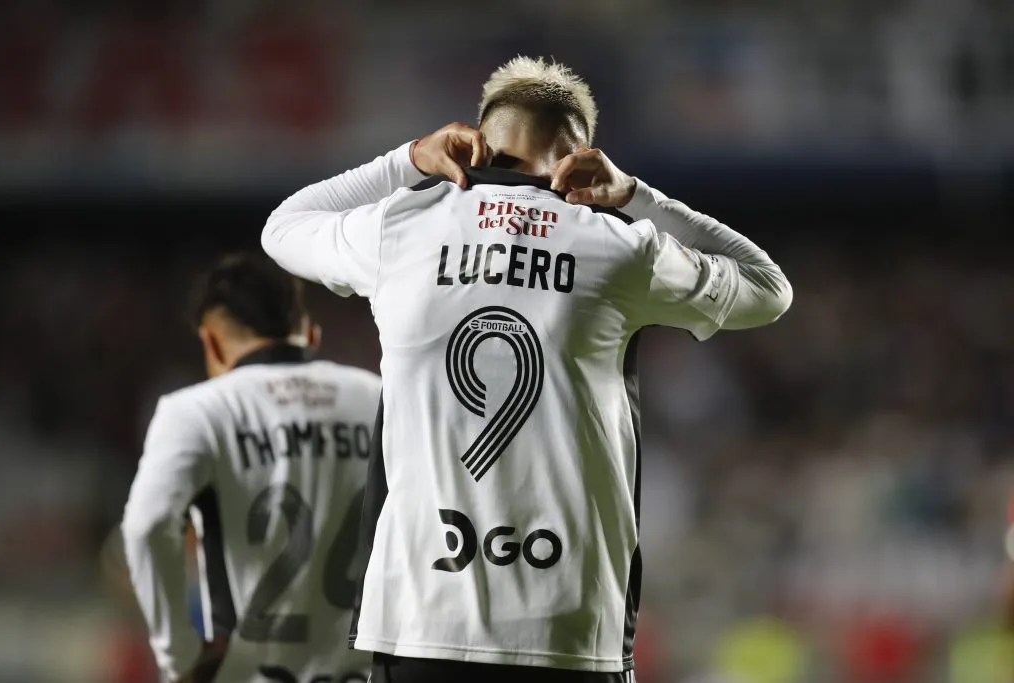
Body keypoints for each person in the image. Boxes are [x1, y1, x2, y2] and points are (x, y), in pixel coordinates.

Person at [262, 56, 793, 683]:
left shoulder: (400, 228)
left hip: (422, 618)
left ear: (478, 141)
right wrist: (635, 196)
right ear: (581, 157)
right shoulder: (618, 245)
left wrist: (406, 159)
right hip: (568, 624)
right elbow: (768, 288)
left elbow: (283, 227)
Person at [121, 253, 379, 683]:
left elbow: (147, 526)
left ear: (213, 343)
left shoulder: (198, 411)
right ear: (310, 334)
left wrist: (179, 656)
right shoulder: (376, 397)